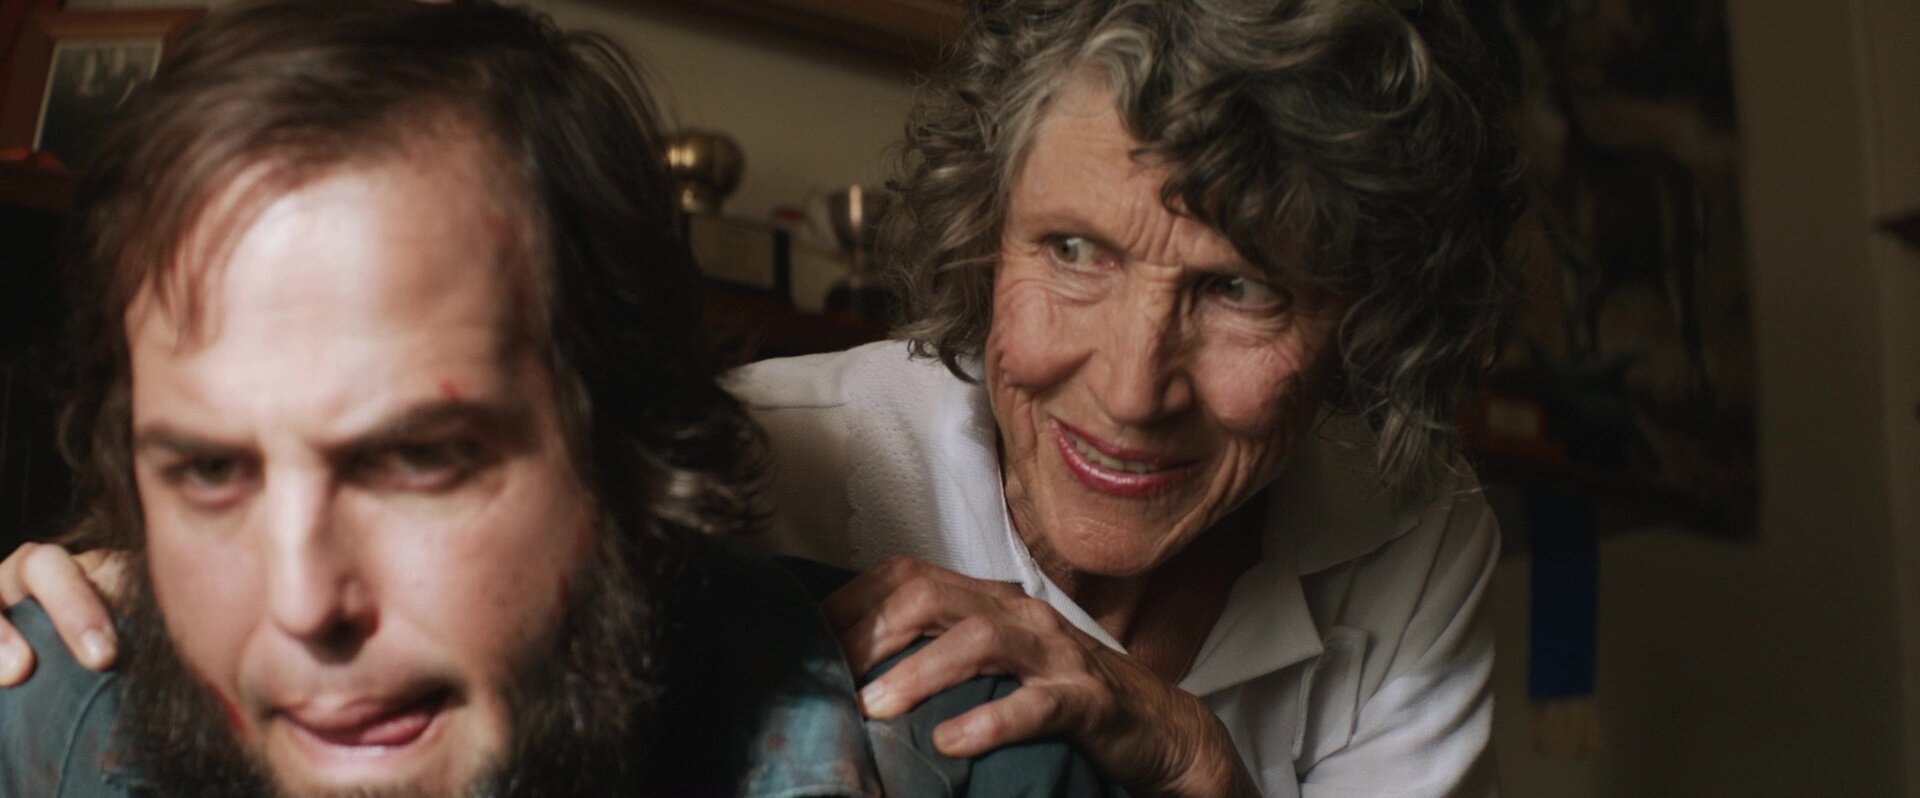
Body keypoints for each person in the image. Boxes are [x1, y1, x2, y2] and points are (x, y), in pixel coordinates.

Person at [5, 0, 1521, 795]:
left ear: (1362, 318)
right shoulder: (768, 446)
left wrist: (1185, 753)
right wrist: (135, 601)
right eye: (1071, 251)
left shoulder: (1412, 537)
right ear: (980, 229)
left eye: (1243, 288)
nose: (1131, 387)